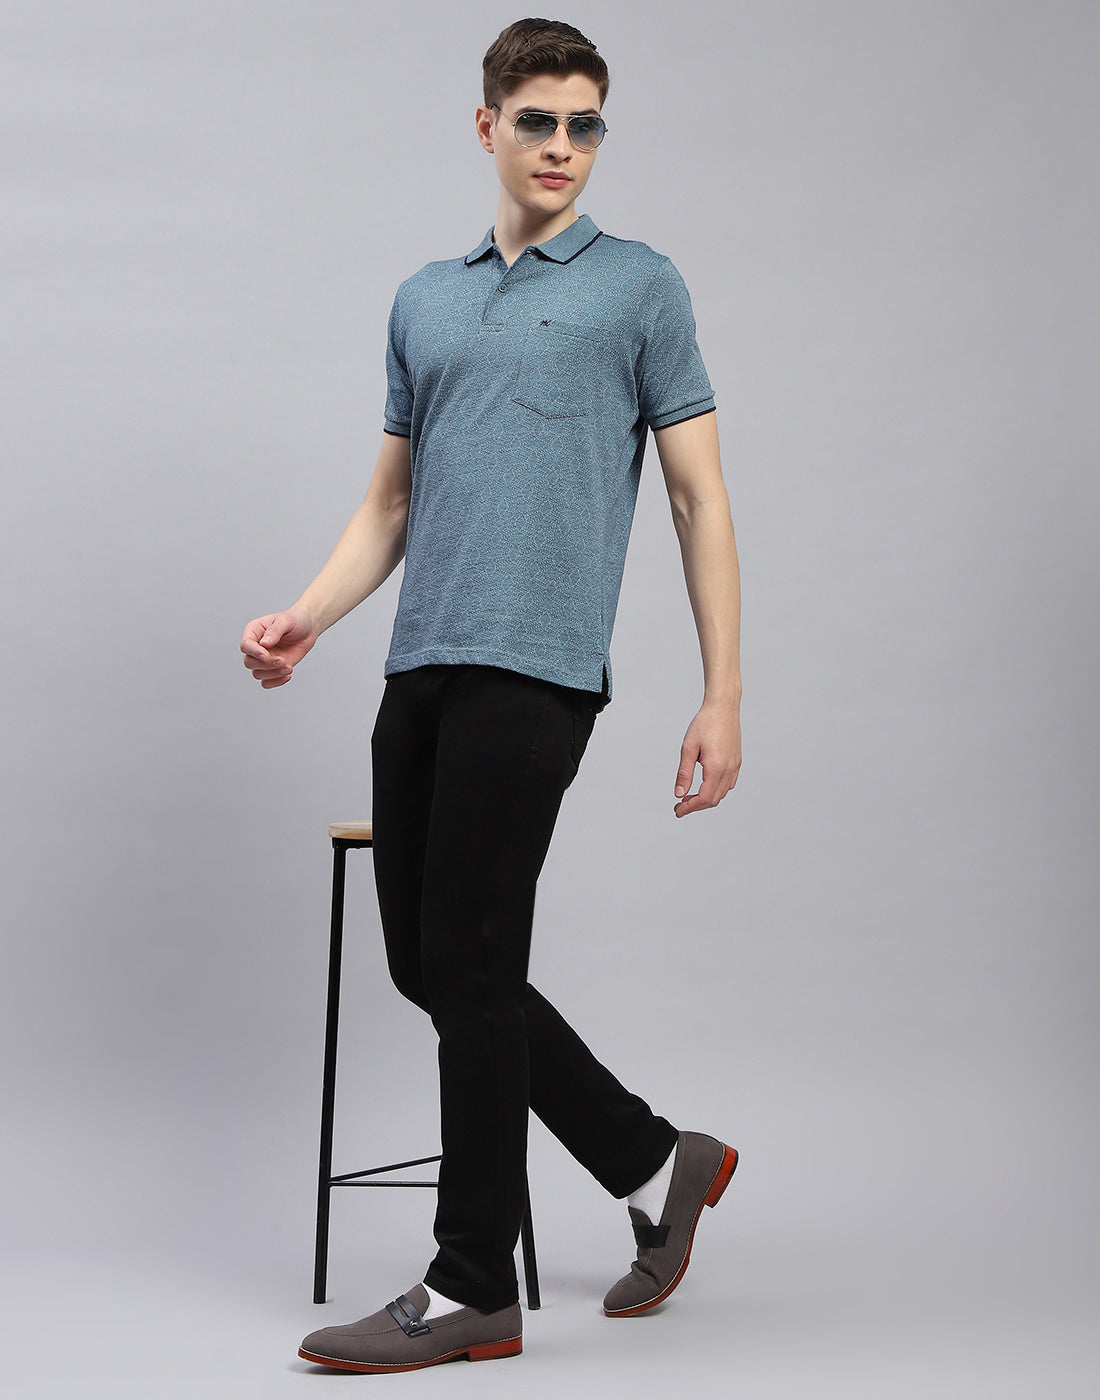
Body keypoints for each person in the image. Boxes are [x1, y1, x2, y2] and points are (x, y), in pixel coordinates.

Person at [240, 17, 743, 1374]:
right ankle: (661, 1159)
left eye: (586, 125)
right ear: (487, 127)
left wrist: (721, 693)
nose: (564, 146)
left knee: (467, 960)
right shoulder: (427, 298)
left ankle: (471, 1285)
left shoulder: (640, 288)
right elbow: (389, 504)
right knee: (430, 963)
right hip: (421, 667)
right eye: (539, 121)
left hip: (540, 673)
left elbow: (697, 498)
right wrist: (308, 616)